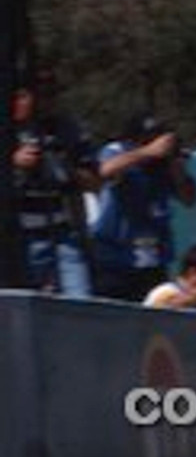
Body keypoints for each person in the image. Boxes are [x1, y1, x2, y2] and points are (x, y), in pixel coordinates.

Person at [9, 72, 100, 297]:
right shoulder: (8, 130)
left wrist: (65, 168)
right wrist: (14, 163)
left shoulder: (67, 129)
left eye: (48, 94)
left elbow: (94, 181)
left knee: (80, 299)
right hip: (17, 237)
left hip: (62, 232)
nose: (39, 102)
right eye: (27, 95)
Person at [92, 111, 196, 301]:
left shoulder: (165, 164)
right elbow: (104, 170)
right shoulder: (117, 151)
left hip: (153, 257)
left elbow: (190, 200)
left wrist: (177, 168)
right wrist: (147, 152)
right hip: (115, 256)